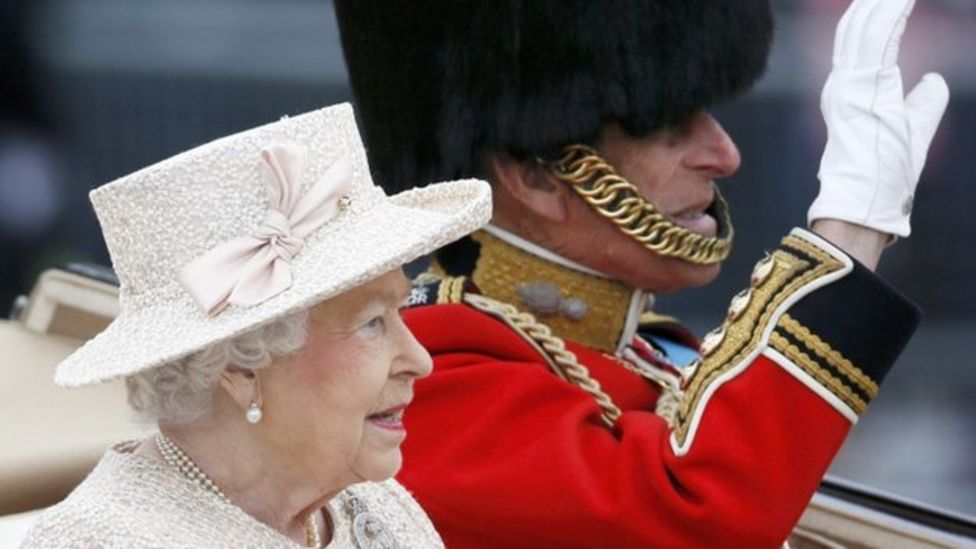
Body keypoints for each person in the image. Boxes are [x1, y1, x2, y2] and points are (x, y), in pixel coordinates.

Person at [335, 0, 949, 546]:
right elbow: (698, 519)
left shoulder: (646, 348)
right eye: (673, 128)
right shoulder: (425, 386)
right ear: (539, 176)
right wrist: (848, 233)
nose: (725, 155)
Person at [21, 103, 492, 547]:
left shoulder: (374, 507)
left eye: (400, 313)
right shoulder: (103, 542)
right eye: (371, 323)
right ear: (240, 368)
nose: (421, 361)